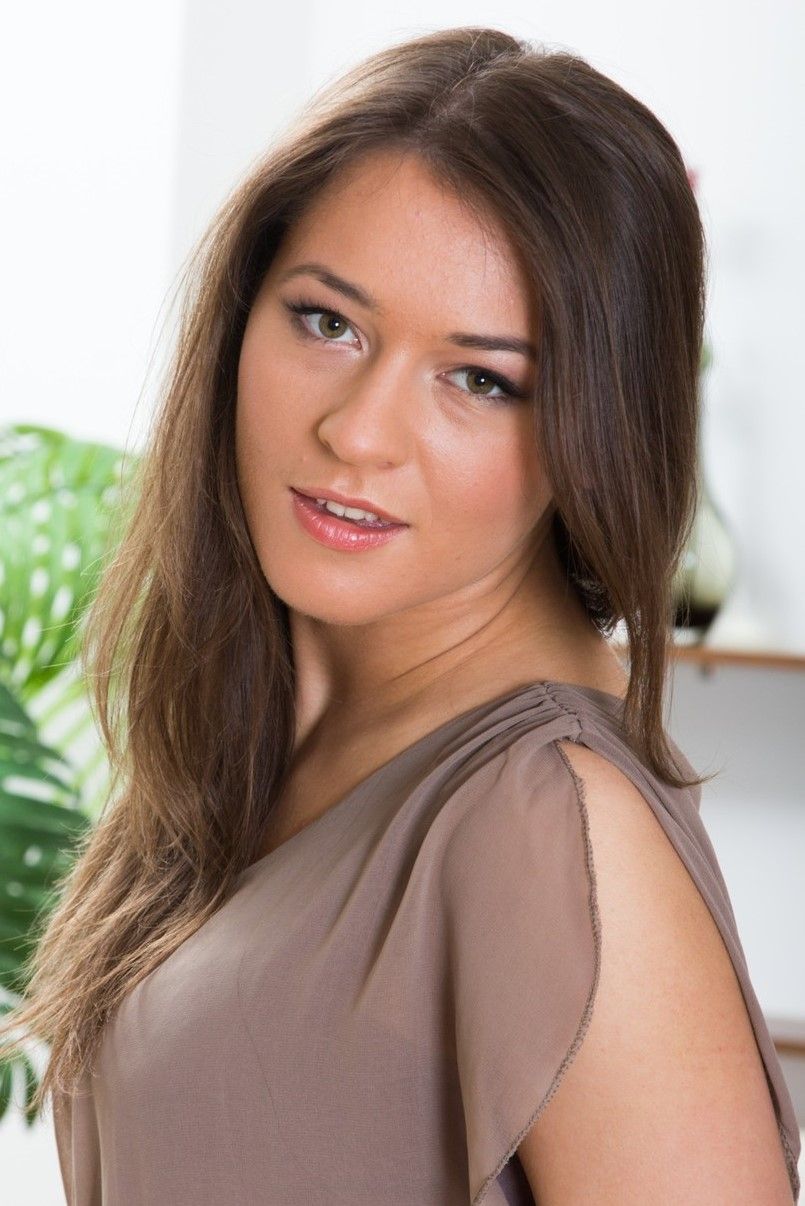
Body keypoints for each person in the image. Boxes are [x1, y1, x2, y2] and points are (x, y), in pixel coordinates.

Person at [1, 25, 799, 1205]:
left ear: (592, 428)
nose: (359, 433)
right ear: (241, 314)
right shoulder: (252, 737)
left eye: (481, 379)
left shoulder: (548, 826)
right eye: (328, 322)